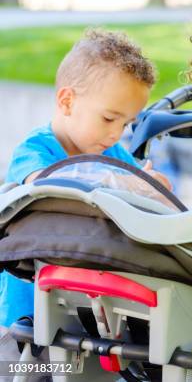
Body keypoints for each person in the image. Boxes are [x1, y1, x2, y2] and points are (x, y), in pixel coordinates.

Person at [0, 28, 170, 347]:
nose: (116, 134)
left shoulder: (112, 155)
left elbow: (143, 192)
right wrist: (117, 182)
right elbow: (45, 186)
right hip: (24, 315)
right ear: (67, 101)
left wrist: (152, 186)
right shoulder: (36, 150)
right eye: (108, 119)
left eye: (125, 124)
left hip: (89, 308)